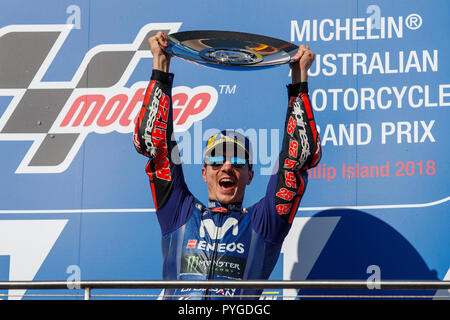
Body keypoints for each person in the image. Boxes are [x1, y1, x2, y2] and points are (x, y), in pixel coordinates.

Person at [133, 31, 321, 300]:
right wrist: (160, 65)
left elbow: (297, 158)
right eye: (217, 159)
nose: (227, 167)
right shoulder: (179, 213)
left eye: (239, 161)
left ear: (250, 175)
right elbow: (155, 145)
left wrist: (299, 78)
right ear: (204, 171)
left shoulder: (262, 224)